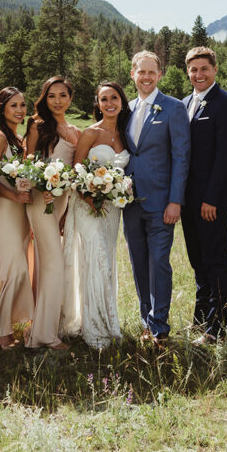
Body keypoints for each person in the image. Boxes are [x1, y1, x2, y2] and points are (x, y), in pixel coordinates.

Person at [122, 51, 190, 345]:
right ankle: (145, 322)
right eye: (141, 72)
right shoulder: (126, 109)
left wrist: (176, 201)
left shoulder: (173, 108)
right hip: (129, 203)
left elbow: (181, 157)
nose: (146, 77)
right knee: (138, 263)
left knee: (159, 263)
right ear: (133, 74)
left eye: (152, 72)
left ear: (160, 75)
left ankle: (159, 326)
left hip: (162, 203)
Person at [60, 82, 131, 349]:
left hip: (112, 208)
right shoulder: (90, 132)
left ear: (122, 101)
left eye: (114, 98)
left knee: (107, 262)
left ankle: (107, 322)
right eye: (104, 99)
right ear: (98, 104)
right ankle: (94, 329)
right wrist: (90, 197)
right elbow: (76, 169)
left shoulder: (127, 133)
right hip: (87, 205)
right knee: (96, 259)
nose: (110, 103)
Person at [180, 47, 227, 345]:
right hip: (186, 198)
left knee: (215, 261)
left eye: (204, 68)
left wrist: (212, 198)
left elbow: (226, 155)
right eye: (193, 69)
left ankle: (218, 327)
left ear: (215, 70)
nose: (199, 74)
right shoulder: (183, 103)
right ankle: (201, 318)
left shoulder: (225, 103)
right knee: (197, 261)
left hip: (210, 200)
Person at [24, 77, 80, 350]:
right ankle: (44, 335)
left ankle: (42, 326)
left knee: (49, 264)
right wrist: (40, 185)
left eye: (62, 95)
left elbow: (75, 171)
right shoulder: (38, 126)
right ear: (44, 98)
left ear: (70, 98)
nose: (57, 101)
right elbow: (28, 162)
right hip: (41, 200)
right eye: (51, 96)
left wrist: (67, 207)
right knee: (53, 264)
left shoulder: (75, 131)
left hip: (62, 200)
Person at [0, 87, 33, 349]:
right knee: (12, 267)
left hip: (20, 210)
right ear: (2, 108)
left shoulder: (18, 138)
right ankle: (0, 332)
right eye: (14, 105)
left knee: (19, 266)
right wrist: (13, 195)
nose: (20, 110)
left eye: (22, 105)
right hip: (5, 209)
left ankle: (3, 326)